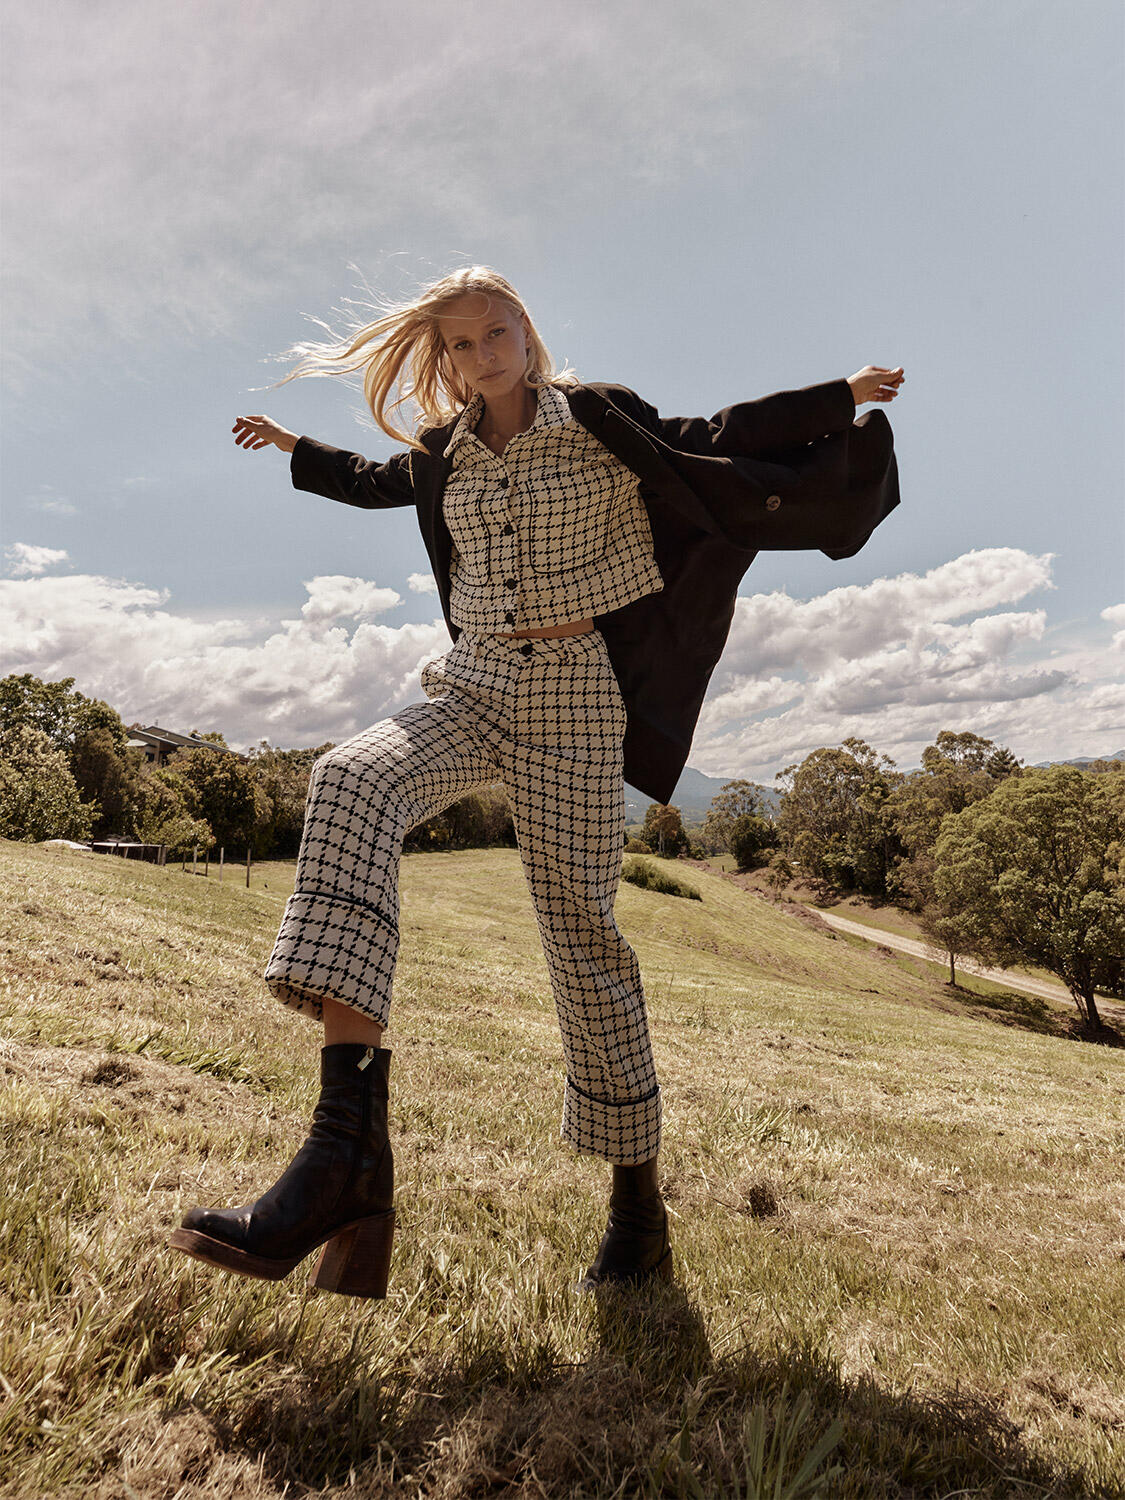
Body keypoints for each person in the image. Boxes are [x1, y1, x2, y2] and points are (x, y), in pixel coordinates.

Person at [169, 266, 903, 1300]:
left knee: (582, 942)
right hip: (472, 682)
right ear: (447, 360)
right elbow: (375, 482)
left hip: (574, 694)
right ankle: (344, 1158)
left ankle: (637, 1207)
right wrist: (294, 448)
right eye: (461, 344)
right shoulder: (442, 453)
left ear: (526, 329)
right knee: (349, 780)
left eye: (497, 331)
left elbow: (716, 431)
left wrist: (837, 398)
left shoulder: (596, 417)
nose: (484, 354)